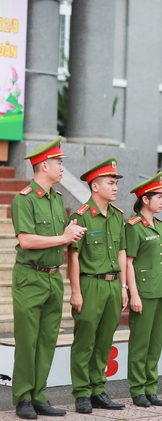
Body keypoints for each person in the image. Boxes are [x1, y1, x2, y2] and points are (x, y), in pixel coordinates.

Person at [11, 137, 86, 419]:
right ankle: (23, 398)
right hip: (30, 277)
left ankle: (39, 395)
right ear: (44, 165)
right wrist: (63, 236)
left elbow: (57, 240)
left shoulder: (57, 200)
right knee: (28, 339)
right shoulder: (24, 199)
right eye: (59, 163)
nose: (62, 168)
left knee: (47, 340)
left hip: (54, 277)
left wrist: (69, 235)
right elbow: (27, 240)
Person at [69, 157, 128, 414]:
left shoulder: (118, 216)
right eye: (110, 182)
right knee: (85, 341)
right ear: (95, 186)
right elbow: (72, 255)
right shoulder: (81, 216)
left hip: (113, 286)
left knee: (105, 341)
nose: (115, 187)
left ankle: (98, 390)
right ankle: (82, 393)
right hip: (90, 284)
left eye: (116, 183)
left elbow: (122, 254)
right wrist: (75, 291)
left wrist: (124, 287)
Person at [125, 172, 162, 407]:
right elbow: (129, 262)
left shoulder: (160, 225)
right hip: (144, 293)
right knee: (140, 344)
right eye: (158, 197)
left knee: (155, 343)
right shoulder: (134, 227)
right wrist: (133, 293)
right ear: (145, 199)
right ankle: (137, 389)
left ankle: (150, 388)